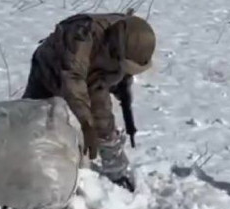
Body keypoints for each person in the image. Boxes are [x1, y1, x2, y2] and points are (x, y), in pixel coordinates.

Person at [23, 12, 155, 192]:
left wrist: (123, 90)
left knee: (103, 121)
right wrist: (86, 124)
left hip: (96, 73)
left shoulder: (129, 35)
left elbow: (121, 69)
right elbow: (73, 79)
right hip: (51, 68)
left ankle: (116, 172)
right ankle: (21, 163)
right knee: (31, 118)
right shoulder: (82, 37)